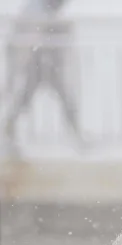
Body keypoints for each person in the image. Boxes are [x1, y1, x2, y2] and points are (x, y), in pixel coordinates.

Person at [3, 0, 84, 155]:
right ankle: (8, 132)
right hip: (37, 63)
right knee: (25, 100)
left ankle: (77, 135)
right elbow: (29, 39)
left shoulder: (45, 10)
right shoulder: (35, 10)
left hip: (46, 64)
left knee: (63, 99)